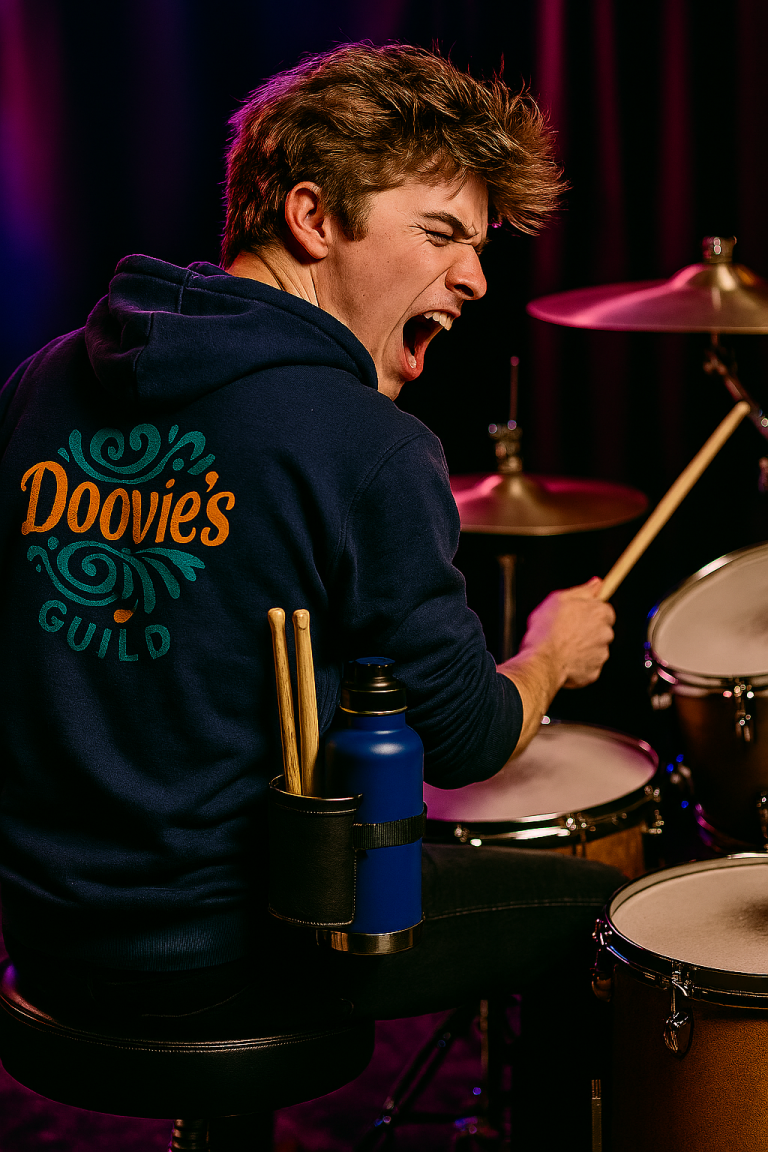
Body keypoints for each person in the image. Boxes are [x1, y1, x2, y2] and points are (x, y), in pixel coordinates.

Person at [0, 43, 619, 1146]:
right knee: (599, 917)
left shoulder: (46, 378)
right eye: (441, 235)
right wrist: (548, 656)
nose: (477, 277)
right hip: (224, 954)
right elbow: (469, 742)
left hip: (42, 934)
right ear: (312, 218)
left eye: (479, 248)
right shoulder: (370, 448)